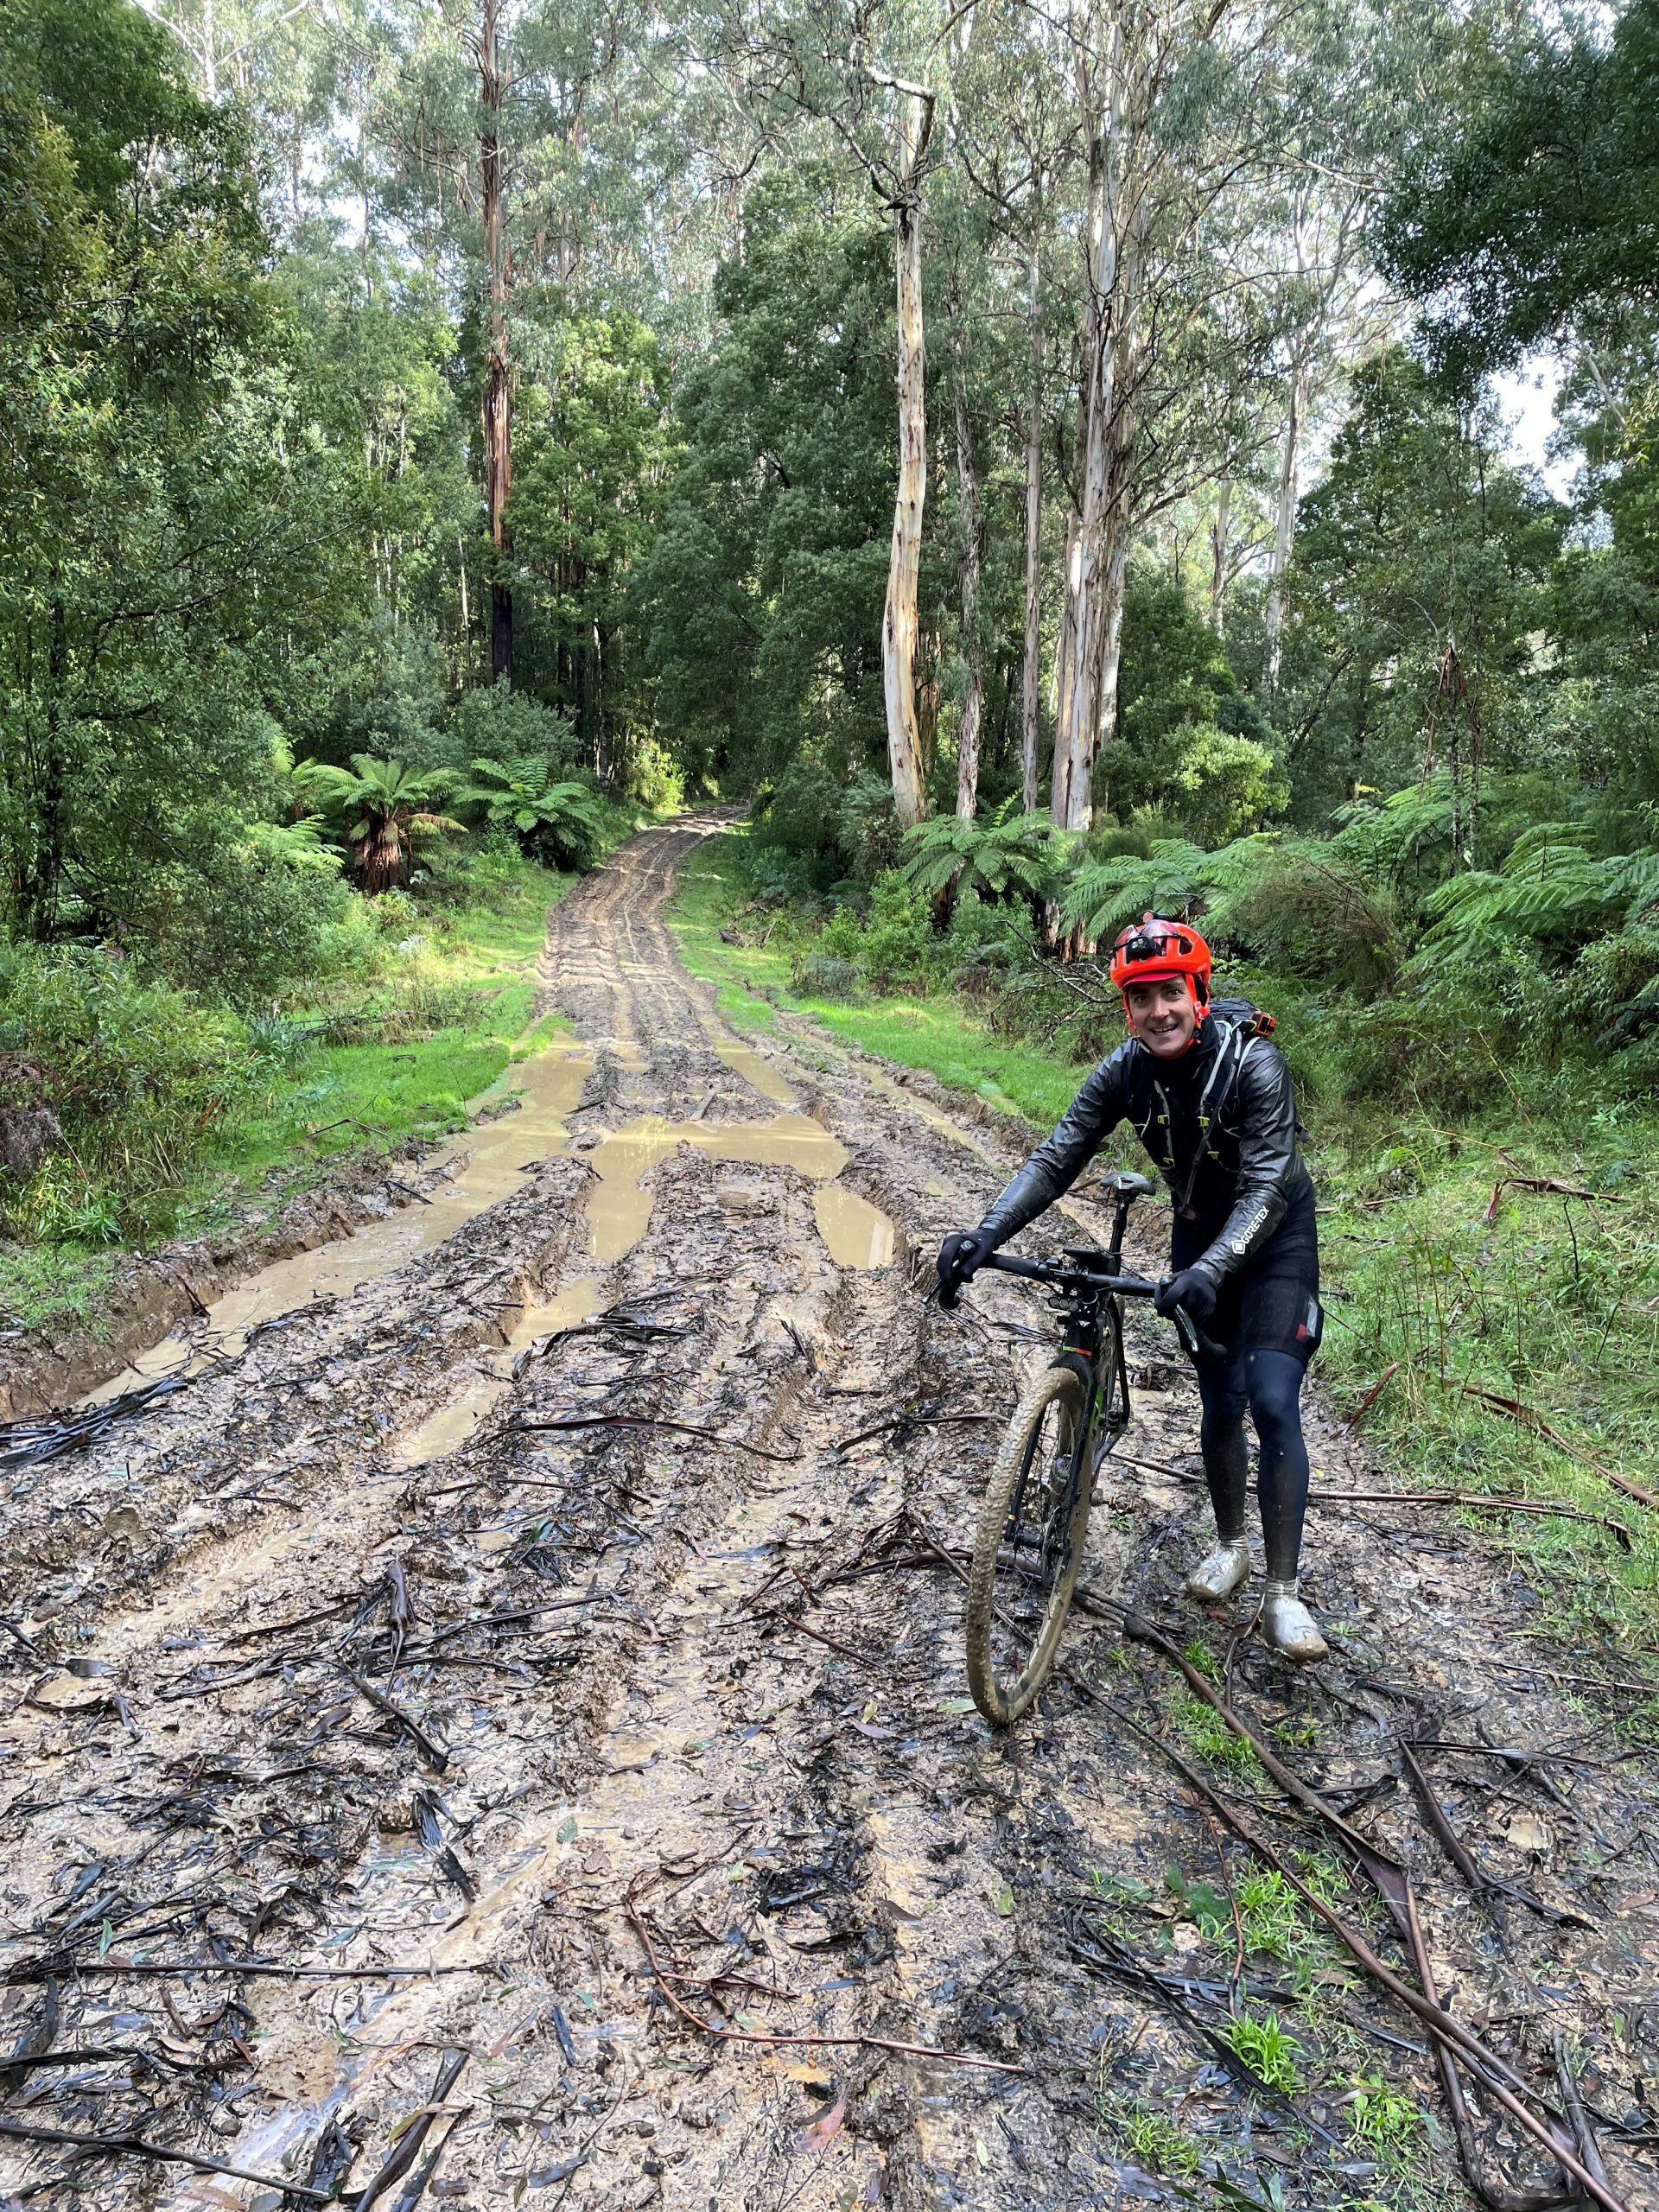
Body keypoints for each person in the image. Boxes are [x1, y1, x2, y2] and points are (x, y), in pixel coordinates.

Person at [935, 915, 1327, 1661]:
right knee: (1220, 1402)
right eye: (1141, 998)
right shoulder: (1126, 1069)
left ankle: (1283, 1593)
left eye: (1171, 993)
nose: (1158, 1011)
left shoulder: (1254, 1066)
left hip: (1275, 1241)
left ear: (1199, 993)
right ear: (1126, 1008)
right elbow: (1056, 1158)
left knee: (1272, 1400)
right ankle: (1230, 1545)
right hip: (1197, 1235)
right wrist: (987, 1235)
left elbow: (1269, 1182)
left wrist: (1212, 1269)